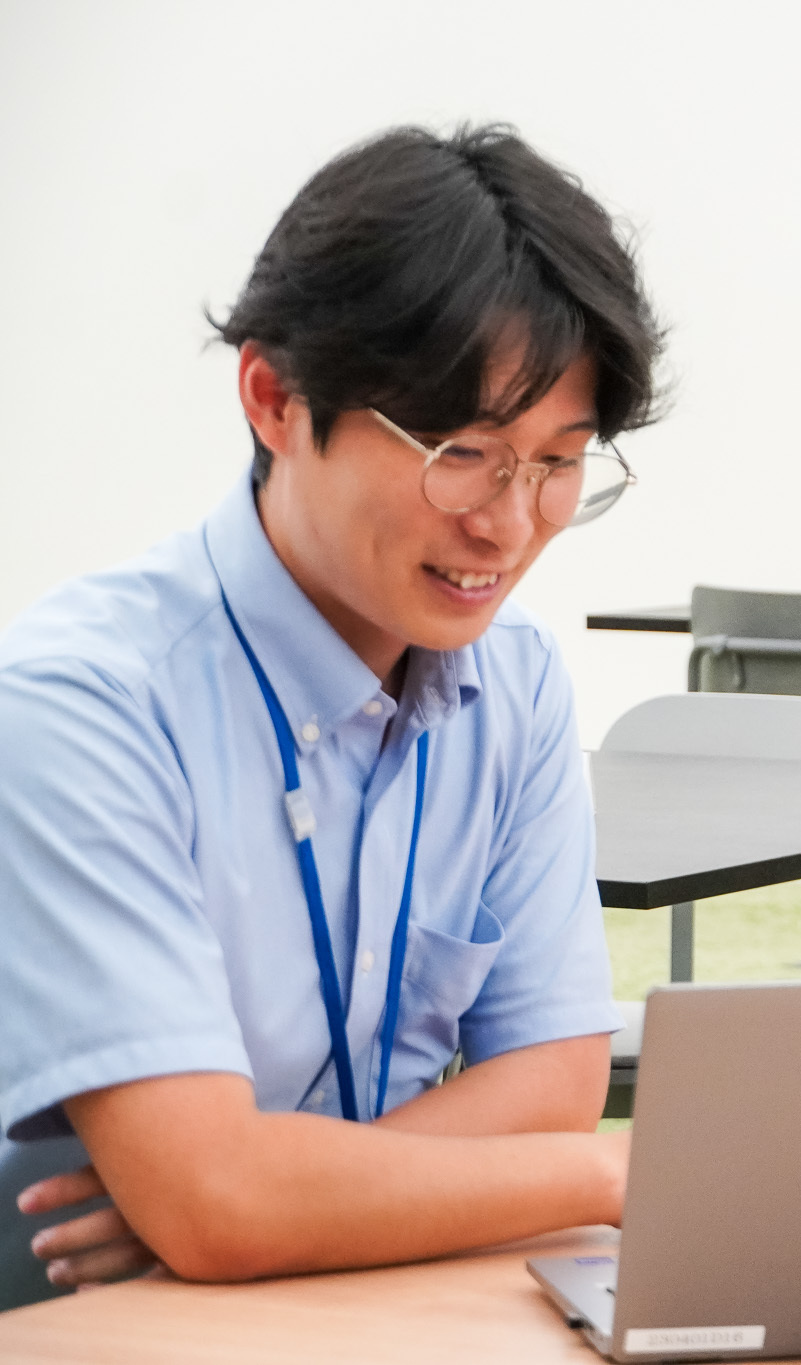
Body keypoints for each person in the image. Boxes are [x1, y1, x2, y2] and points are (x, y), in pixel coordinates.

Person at [0, 124, 662, 1308]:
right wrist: (600, 1176)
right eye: (462, 453)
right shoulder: (83, 706)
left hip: (373, 1295)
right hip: (90, 1317)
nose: (508, 525)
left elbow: (551, 1086)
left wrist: (278, 1201)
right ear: (273, 398)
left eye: (558, 462)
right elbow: (218, 1205)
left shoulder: (512, 681)